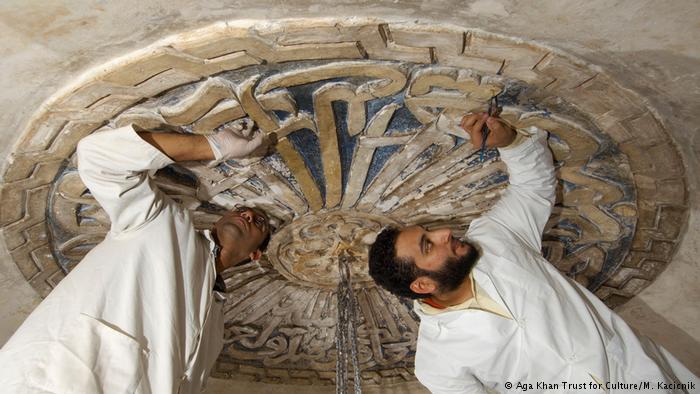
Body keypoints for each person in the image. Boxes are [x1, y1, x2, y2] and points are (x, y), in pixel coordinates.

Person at [368, 113, 698, 393]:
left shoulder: (494, 238)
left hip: (650, 379)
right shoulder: (437, 364)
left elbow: (532, 188)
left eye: (429, 232)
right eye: (429, 245)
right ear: (423, 285)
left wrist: (510, 141)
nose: (443, 233)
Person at [0, 121, 272, 393]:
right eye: (240, 210)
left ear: (255, 254)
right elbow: (98, 157)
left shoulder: (214, 329)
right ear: (217, 221)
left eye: (258, 221)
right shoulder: (164, 223)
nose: (246, 215)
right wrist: (215, 146)